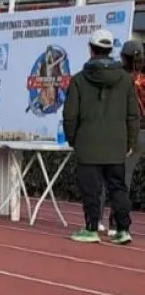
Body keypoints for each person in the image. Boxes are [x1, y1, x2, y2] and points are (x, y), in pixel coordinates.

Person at [62, 28, 138, 245]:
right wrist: (130, 142)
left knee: (91, 190)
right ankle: (123, 229)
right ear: (110, 49)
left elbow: (70, 115)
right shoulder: (125, 80)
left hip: (87, 143)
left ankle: (91, 228)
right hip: (116, 144)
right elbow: (133, 114)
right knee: (118, 187)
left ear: (91, 50)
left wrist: (73, 139)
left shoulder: (78, 80)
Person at [99, 39, 145, 236]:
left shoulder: (117, 79)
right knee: (124, 179)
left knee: (103, 175)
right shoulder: (141, 79)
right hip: (141, 133)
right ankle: (116, 223)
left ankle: (97, 220)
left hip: (119, 131)